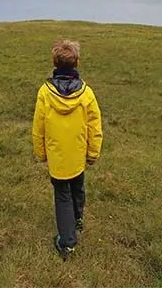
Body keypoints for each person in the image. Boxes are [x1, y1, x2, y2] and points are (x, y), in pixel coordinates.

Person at [32, 38, 103, 260]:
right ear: (77, 62)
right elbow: (95, 125)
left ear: (55, 62)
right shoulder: (87, 93)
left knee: (63, 195)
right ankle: (77, 220)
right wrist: (93, 152)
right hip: (78, 155)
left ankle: (68, 242)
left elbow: (38, 127)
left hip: (57, 157)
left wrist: (41, 153)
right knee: (77, 187)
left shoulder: (45, 92)